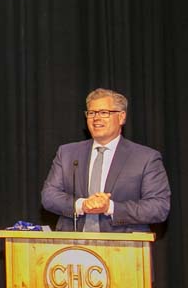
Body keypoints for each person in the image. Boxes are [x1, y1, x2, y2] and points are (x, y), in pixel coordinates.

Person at [41, 88, 171, 232]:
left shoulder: (146, 158)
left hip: (123, 247)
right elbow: (49, 196)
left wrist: (110, 207)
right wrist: (81, 205)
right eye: (91, 113)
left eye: (104, 113)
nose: (96, 118)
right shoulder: (67, 153)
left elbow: (159, 207)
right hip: (72, 246)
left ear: (121, 117)